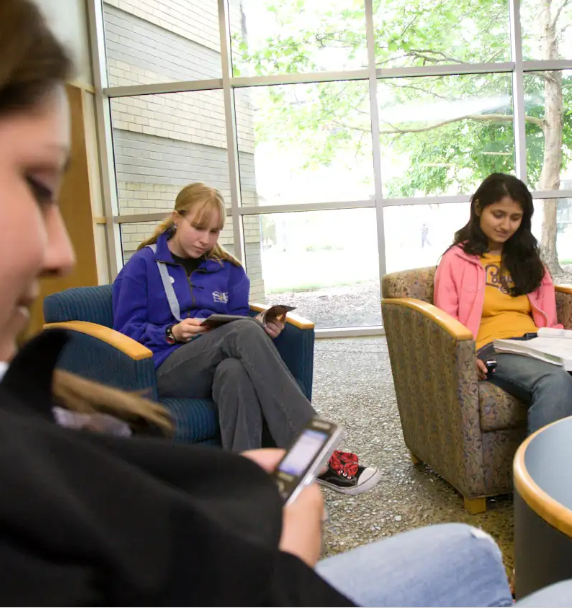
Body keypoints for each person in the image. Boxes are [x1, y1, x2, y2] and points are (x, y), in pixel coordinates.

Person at [0, 0, 572, 605]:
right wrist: (274, 567)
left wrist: (223, 490)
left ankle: (269, 473)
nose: (59, 248)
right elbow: (130, 329)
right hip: (195, 429)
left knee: (440, 526)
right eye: (31, 185)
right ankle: (317, 446)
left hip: (220, 486)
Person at [111, 183, 380, 494]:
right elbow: (123, 332)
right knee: (242, 333)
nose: (205, 240)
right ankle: (313, 453)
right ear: (176, 218)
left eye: (214, 231)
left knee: (234, 372)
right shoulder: (141, 265)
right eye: (198, 228)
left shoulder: (228, 270)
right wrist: (170, 332)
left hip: (216, 363)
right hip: (165, 367)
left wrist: (261, 328)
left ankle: (248, 488)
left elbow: (237, 324)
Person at [434, 173, 572, 436]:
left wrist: (567, 345)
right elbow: (444, 322)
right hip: (492, 349)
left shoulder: (527, 259)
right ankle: (543, 475)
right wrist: (466, 356)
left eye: (515, 217)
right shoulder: (456, 260)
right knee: (556, 381)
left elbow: (547, 315)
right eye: (498, 214)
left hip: (540, 342)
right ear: (478, 208)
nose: (506, 225)